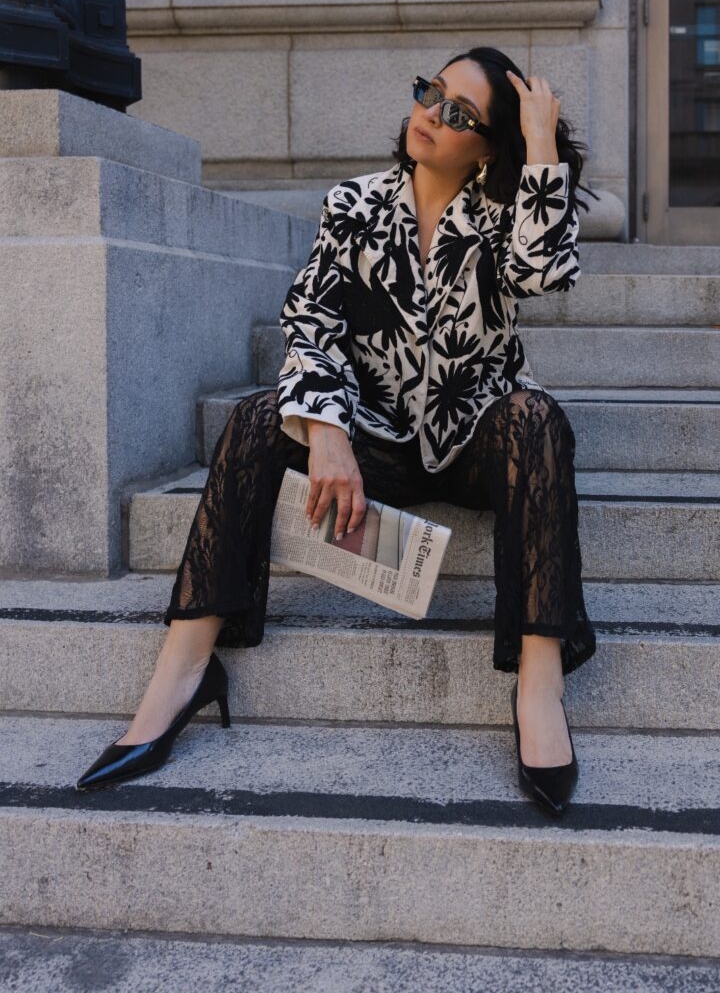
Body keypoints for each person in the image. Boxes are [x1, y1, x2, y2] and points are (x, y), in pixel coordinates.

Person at [77, 46, 599, 815]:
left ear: (489, 146)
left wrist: (541, 143)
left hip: (472, 445)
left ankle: (540, 685)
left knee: (537, 419)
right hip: (375, 441)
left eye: (459, 113)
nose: (430, 113)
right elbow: (312, 321)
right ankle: (185, 669)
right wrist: (326, 433)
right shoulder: (355, 202)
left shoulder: (505, 215)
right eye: (430, 92)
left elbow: (544, 272)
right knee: (257, 417)